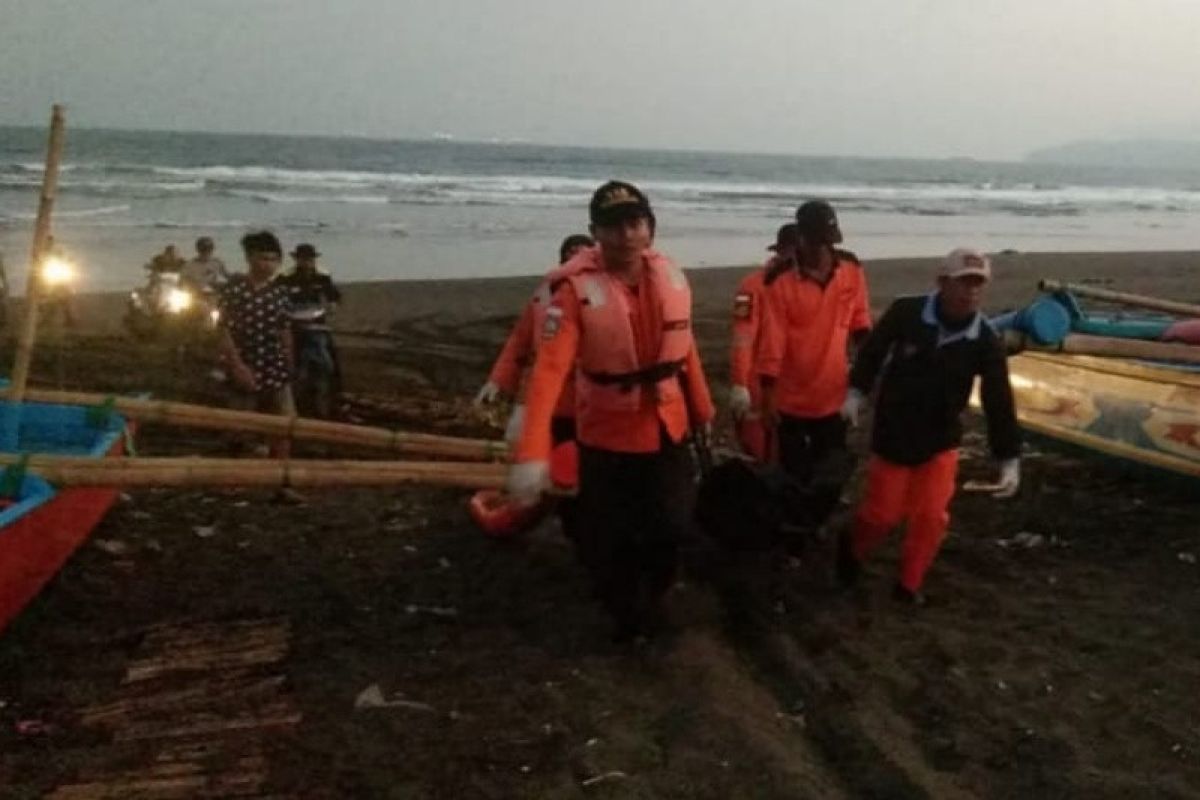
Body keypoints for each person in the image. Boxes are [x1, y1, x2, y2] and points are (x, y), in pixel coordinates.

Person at [507, 181, 715, 641]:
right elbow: (549, 372)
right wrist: (532, 453)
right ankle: (629, 617)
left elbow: (686, 349)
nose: (625, 235)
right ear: (595, 233)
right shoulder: (572, 293)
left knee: (672, 525)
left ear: (649, 229)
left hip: (666, 427)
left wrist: (702, 407)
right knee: (608, 538)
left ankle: (653, 594)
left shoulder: (670, 279)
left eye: (634, 223)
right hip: (605, 435)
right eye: (612, 226)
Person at [839, 248, 1021, 604]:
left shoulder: (984, 339)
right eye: (962, 283)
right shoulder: (906, 312)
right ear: (942, 282)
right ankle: (852, 550)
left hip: (940, 440)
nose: (970, 291)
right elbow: (873, 352)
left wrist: (1008, 457)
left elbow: (998, 400)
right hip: (894, 433)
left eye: (977, 284)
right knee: (882, 515)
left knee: (931, 517)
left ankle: (909, 584)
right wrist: (856, 392)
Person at [756, 200, 872, 526]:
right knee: (794, 472)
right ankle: (795, 534)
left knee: (833, 468)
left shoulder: (851, 270)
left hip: (834, 394)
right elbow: (771, 345)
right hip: (791, 398)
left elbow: (861, 324)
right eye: (816, 242)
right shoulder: (778, 282)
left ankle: (816, 523)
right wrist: (767, 397)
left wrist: (866, 379)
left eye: (829, 242)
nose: (824, 251)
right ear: (801, 240)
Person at [474, 233, 595, 447]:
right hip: (540, 392)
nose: (574, 260)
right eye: (569, 255)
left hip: (589, 398)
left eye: (581, 255)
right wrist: (499, 380)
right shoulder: (543, 295)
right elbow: (520, 341)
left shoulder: (602, 296)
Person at [218, 231, 295, 462]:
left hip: (275, 365)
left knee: (285, 422)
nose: (269, 264)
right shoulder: (235, 288)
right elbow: (223, 330)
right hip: (245, 362)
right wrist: (237, 365)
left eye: (274, 259)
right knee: (241, 425)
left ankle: (282, 479)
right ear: (250, 258)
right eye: (263, 258)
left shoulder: (279, 292)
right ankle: (238, 475)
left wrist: (289, 361)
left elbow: (284, 329)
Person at [729, 223, 798, 460]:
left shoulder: (809, 286)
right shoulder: (752, 287)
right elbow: (743, 336)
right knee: (762, 454)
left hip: (798, 385)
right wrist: (740, 383)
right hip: (760, 382)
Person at [278, 243, 343, 419]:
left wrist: (332, 305)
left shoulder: (322, 276)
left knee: (328, 364)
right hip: (294, 325)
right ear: (296, 259)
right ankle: (295, 398)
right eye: (303, 259)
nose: (307, 262)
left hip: (317, 324)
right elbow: (277, 299)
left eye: (310, 259)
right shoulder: (286, 277)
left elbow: (334, 296)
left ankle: (329, 400)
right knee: (292, 363)